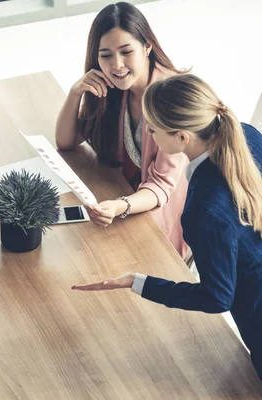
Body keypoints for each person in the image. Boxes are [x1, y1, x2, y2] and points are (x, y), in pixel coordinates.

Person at [72, 74, 262, 381]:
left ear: (182, 137)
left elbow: (217, 297)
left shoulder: (203, 211)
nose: (148, 132)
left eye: (154, 128)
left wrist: (137, 282)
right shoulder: (247, 135)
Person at [55, 2, 189, 258]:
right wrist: (75, 93)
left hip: (166, 214)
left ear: (147, 47)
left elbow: (161, 188)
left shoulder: (170, 99)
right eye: (105, 55)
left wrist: (119, 206)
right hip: (126, 194)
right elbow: (66, 141)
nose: (116, 65)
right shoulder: (114, 89)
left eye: (126, 52)